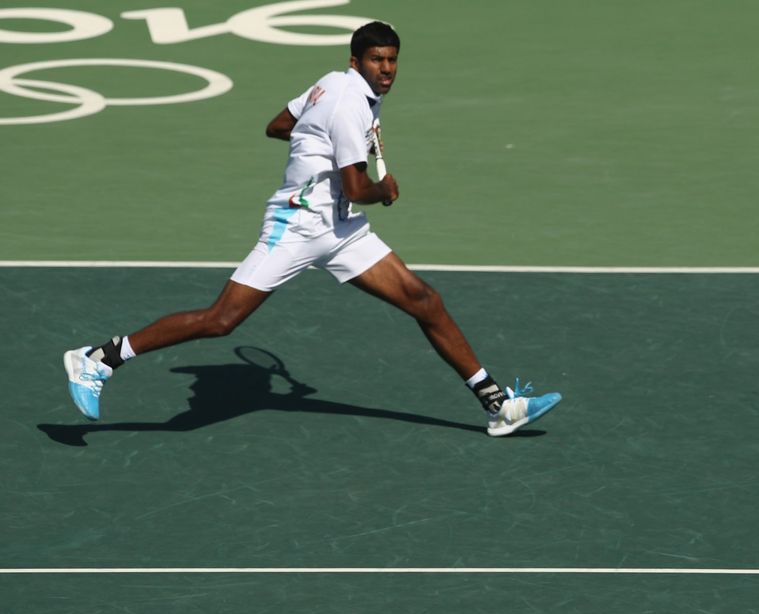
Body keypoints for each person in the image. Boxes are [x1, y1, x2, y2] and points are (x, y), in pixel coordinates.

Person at [62, 21, 560, 437]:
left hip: (341, 231)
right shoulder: (349, 106)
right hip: (297, 226)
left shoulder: (334, 84)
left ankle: (498, 405)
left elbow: (279, 125)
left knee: (423, 300)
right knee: (221, 321)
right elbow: (355, 186)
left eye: (392, 60)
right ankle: (98, 359)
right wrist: (384, 190)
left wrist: (313, 144)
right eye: (377, 61)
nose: (386, 70)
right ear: (356, 59)